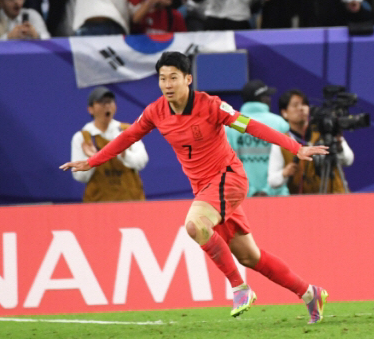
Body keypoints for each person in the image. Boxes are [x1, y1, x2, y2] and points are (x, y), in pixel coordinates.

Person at [60, 51, 329, 323]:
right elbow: (128, 137)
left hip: (228, 177)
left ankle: (240, 288)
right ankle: (309, 293)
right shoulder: (156, 111)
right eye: (162, 78)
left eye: (173, 78)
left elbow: (250, 126)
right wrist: (93, 161)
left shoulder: (210, 105)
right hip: (205, 190)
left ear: (188, 79)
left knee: (194, 225)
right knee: (250, 257)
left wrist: (296, 147)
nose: (167, 84)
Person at [69, 86, 148, 202]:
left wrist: (124, 154)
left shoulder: (127, 131)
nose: (106, 106)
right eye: (101, 102)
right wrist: (92, 159)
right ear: (90, 109)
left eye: (109, 102)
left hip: (131, 202)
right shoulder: (82, 138)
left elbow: (142, 161)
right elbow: (80, 177)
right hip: (98, 206)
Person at [269, 89, 353, 194]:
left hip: (337, 197)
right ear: (284, 113)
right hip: (305, 204)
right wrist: (284, 173)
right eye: (295, 105)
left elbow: (348, 160)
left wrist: (339, 145)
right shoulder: (281, 143)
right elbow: (272, 181)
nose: (301, 108)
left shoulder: (325, 131)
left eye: (304, 104)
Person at [226, 79, 290, 197]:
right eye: (267, 96)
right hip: (278, 197)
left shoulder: (232, 125)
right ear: (263, 99)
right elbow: (289, 164)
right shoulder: (279, 123)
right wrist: (268, 191)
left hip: (243, 197)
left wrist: (251, 192)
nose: (270, 99)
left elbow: (227, 166)